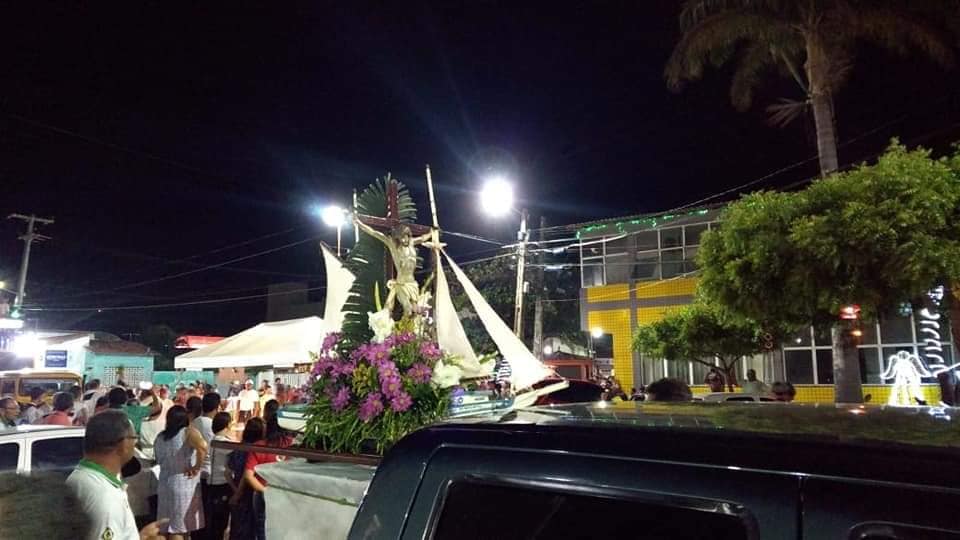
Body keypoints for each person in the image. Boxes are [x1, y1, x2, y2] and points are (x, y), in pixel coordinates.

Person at [65, 409, 167, 540]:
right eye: (134, 438)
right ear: (123, 444)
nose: (135, 443)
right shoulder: (105, 498)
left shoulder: (80, 478)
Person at [154, 405, 207, 540]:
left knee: (164, 526)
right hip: (183, 483)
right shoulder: (187, 432)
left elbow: (158, 459)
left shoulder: (160, 437)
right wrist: (196, 467)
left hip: (164, 482)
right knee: (179, 528)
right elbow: (203, 447)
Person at [244, 399, 293, 540]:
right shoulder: (293, 445)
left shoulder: (259, 445)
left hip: (262, 494)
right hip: (285, 494)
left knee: (262, 529)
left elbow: (248, 475)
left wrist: (266, 491)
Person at [228, 417, 264, 540]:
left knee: (236, 528)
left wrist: (235, 490)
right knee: (249, 529)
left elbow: (227, 472)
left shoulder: (238, 449)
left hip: (237, 489)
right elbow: (247, 474)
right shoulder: (258, 450)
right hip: (251, 491)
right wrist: (239, 492)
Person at [193, 392, 221, 540]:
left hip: (197, 471)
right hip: (209, 471)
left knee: (198, 509)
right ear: (217, 408)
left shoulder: (194, 422)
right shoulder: (211, 425)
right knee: (208, 511)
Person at [207, 412, 234, 540]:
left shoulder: (211, 440)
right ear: (227, 425)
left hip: (210, 483)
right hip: (222, 484)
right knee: (220, 521)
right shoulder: (224, 443)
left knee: (213, 521)